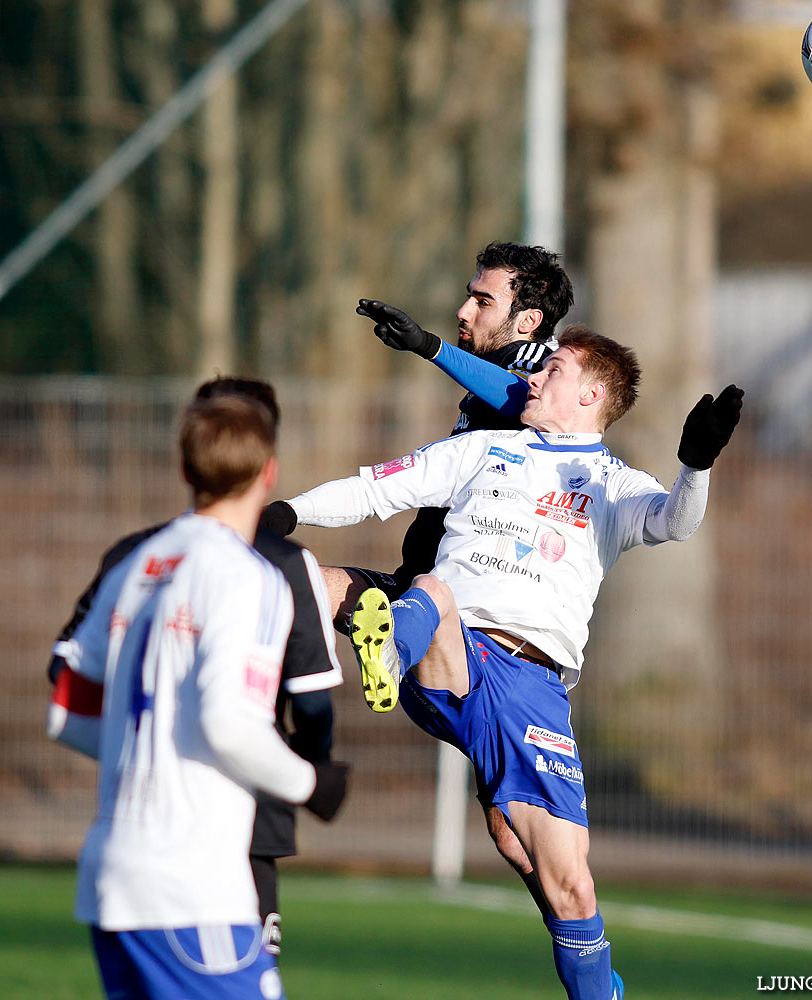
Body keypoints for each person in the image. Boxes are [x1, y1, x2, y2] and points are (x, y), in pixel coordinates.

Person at [266, 326, 744, 1000]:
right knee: (405, 587)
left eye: (551, 370)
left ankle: (599, 991)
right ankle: (375, 654)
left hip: (530, 690)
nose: (533, 380)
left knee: (570, 888)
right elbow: (375, 489)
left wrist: (696, 464)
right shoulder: (483, 450)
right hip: (448, 647)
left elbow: (675, 521)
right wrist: (286, 512)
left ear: (590, 393)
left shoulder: (610, 483)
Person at [264, 241, 573, 914]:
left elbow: (518, 393)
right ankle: (276, 746)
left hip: (486, 645)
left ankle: (592, 967)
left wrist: (428, 346)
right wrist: (282, 515)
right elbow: (385, 486)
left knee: (535, 857)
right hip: (419, 597)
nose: (464, 308)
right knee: (296, 588)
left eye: (482, 299)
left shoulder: (546, 383)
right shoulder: (494, 389)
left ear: (527, 322)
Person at [47, 388, 349, 1000]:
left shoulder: (139, 562)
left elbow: (69, 713)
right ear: (270, 472)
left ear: (186, 470)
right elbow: (229, 724)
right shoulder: (251, 575)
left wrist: (150, 753)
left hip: (111, 879)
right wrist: (312, 784)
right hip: (190, 885)